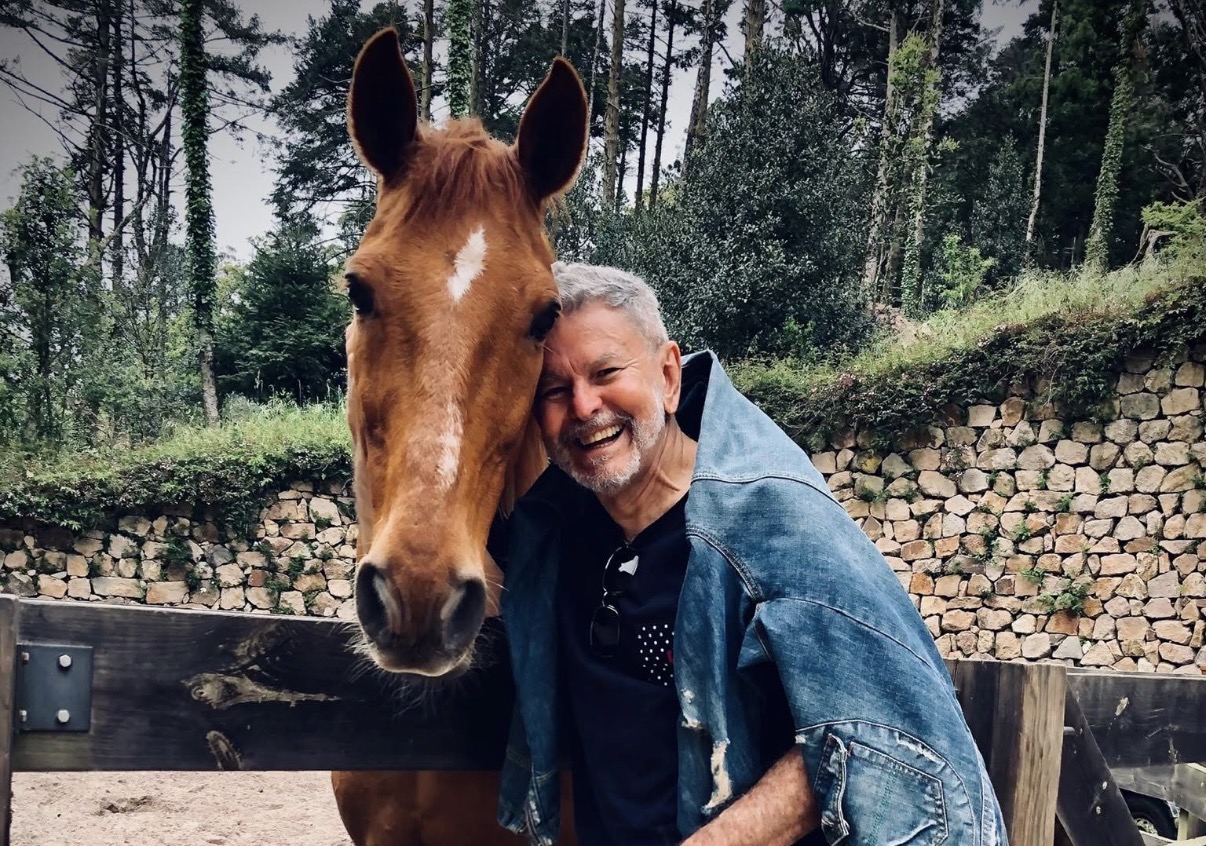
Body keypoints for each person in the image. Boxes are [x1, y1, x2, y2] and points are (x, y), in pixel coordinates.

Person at [496, 262, 1008, 846]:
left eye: (606, 372)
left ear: (668, 375)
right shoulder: (555, 532)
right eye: (554, 390)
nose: (584, 407)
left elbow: (865, 729)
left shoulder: (775, 521)